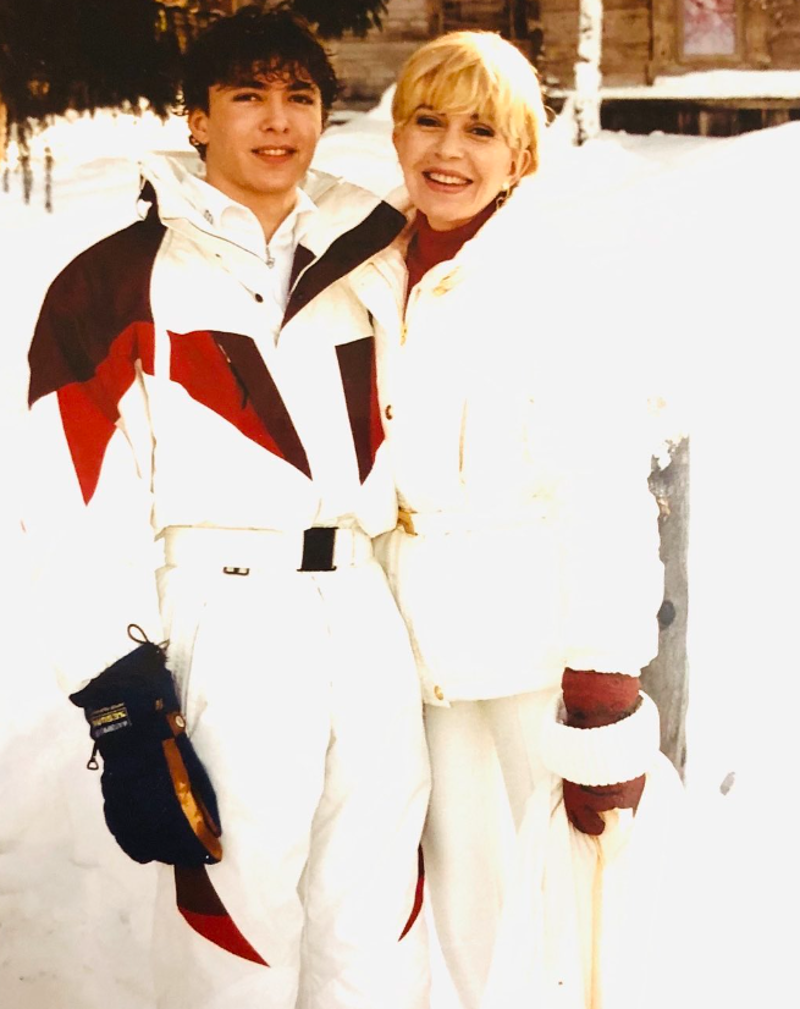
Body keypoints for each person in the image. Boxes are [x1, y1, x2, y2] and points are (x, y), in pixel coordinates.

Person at [22, 8, 430, 1009]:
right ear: (195, 117)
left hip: (366, 612)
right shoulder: (112, 282)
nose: (276, 120)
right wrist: (119, 696)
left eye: (299, 96)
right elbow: (68, 503)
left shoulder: (380, 253)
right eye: (247, 95)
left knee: (380, 919)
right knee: (234, 929)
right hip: (227, 617)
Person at [346, 31, 672, 1008]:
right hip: (415, 652)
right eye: (428, 122)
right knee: (467, 909)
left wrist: (603, 677)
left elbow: (599, 483)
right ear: (395, 134)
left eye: (480, 129)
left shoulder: (549, 277)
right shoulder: (371, 265)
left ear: (520, 154)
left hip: (536, 653)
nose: (449, 149)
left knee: (576, 906)